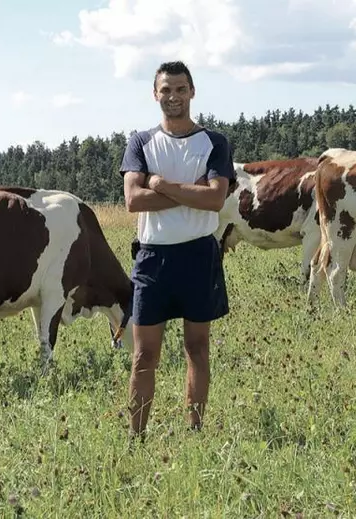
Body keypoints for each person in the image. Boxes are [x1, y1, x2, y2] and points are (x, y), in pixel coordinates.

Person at [118, 60, 235, 437]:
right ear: (155, 94)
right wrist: (190, 192)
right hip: (153, 258)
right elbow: (134, 200)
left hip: (198, 255)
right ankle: (136, 438)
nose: (173, 96)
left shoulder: (215, 142)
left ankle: (195, 432)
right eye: (165, 90)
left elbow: (216, 199)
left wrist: (160, 183)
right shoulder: (140, 142)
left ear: (192, 92)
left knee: (197, 349)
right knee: (143, 356)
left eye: (180, 89)